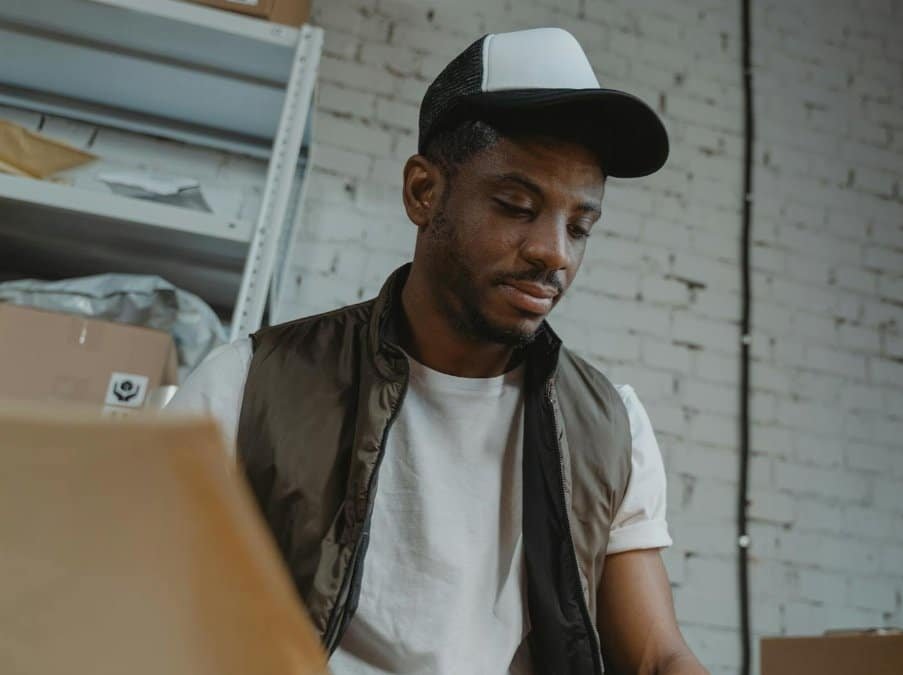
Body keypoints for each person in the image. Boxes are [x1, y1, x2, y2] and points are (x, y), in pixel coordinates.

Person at [170, 26, 708, 675]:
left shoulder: (610, 426)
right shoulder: (246, 385)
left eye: (579, 226)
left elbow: (656, 655)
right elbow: (144, 611)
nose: (554, 252)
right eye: (516, 206)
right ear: (424, 193)